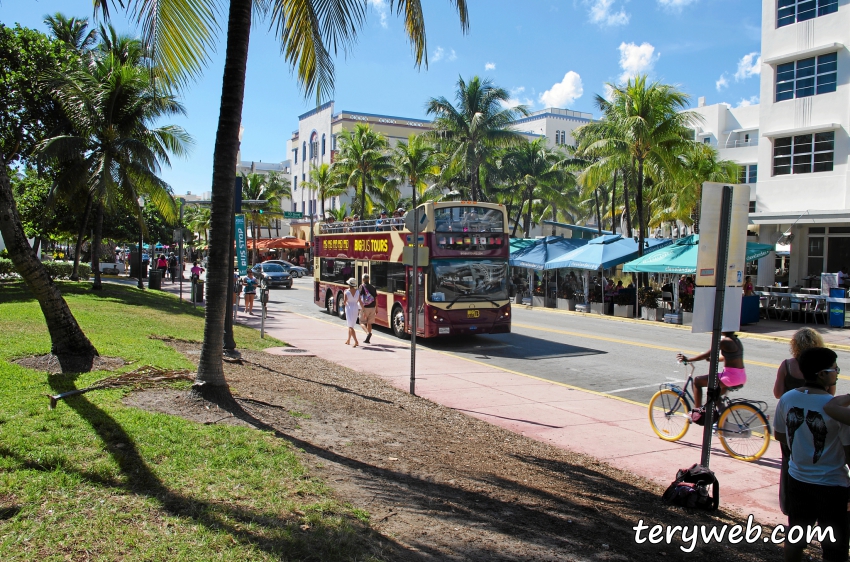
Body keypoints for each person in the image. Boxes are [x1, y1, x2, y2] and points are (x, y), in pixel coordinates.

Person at [775, 347, 849, 562]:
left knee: (796, 537)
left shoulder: (787, 399)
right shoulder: (837, 410)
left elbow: (780, 434)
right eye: (835, 369)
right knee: (835, 548)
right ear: (822, 374)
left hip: (798, 479)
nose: (837, 373)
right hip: (832, 486)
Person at [774, 327, 833, 516]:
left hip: (792, 424)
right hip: (817, 423)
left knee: (789, 464)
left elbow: (777, 393)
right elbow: (830, 396)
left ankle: (790, 505)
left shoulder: (787, 365)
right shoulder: (825, 370)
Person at [676, 331, 746, 409]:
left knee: (697, 381)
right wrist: (710, 359)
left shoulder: (724, 341)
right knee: (715, 396)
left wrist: (688, 359)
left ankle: (697, 412)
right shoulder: (736, 340)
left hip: (730, 378)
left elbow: (707, 354)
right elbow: (726, 357)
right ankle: (723, 419)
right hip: (741, 377)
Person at [359, 274, 377, 344]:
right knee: (369, 323)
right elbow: (376, 298)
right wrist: (377, 308)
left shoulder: (362, 286)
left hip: (365, 307)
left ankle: (367, 333)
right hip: (372, 307)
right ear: (369, 279)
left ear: (363, 279)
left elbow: (359, 297)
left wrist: (362, 308)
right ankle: (367, 339)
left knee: (361, 322)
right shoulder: (373, 287)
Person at [343, 278, 360, 347]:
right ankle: (348, 340)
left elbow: (344, 301)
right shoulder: (358, 292)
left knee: (350, 326)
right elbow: (360, 301)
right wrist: (363, 309)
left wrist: (346, 303)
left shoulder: (346, 292)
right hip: (355, 308)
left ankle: (356, 341)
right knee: (351, 325)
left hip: (349, 308)